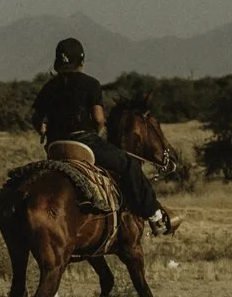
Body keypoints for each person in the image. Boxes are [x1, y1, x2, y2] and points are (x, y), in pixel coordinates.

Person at [29, 37, 171, 234]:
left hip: (55, 148)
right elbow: (98, 119)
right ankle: (155, 216)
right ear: (81, 61)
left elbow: (36, 119)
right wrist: (95, 134)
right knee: (129, 164)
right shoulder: (91, 83)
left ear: (57, 62)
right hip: (84, 142)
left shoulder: (49, 87)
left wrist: (44, 131)